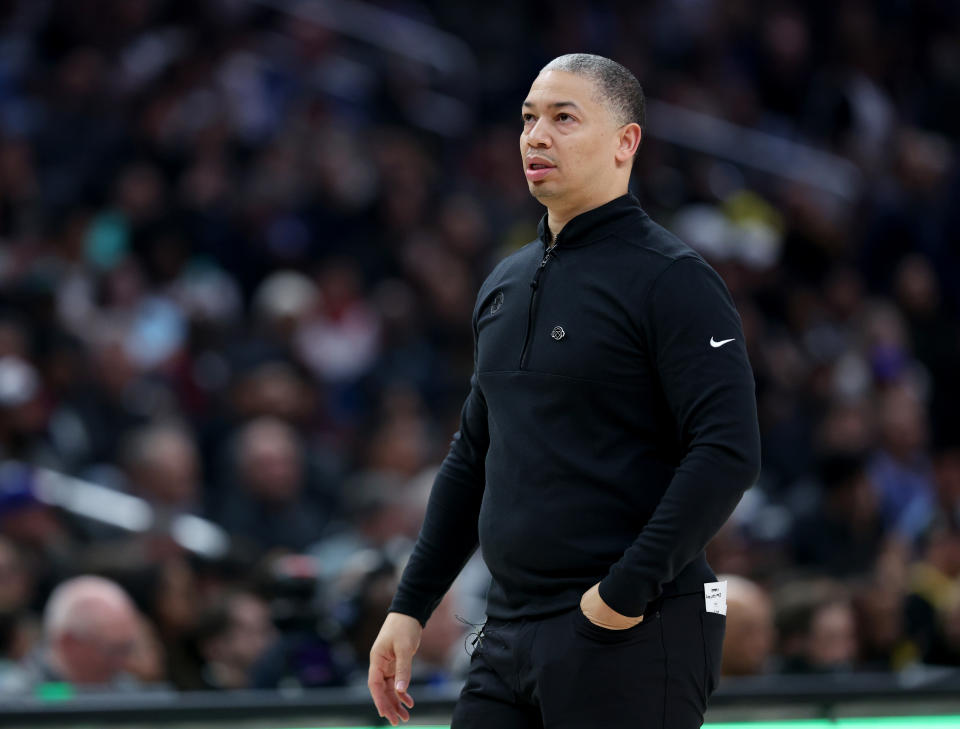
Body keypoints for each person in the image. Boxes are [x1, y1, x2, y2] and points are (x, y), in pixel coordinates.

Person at [368, 53, 760, 728]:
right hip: (506, 627)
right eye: (527, 119)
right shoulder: (504, 282)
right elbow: (472, 456)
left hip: (632, 625)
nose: (535, 136)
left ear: (625, 141)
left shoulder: (673, 279)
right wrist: (411, 604)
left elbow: (728, 449)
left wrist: (622, 593)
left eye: (562, 117)